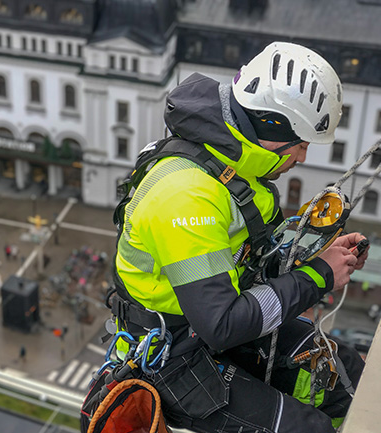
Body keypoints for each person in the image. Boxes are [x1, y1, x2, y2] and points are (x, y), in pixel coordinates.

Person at [110, 42, 368, 433]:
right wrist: (320, 275)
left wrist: (319, 254)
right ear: (272, 126)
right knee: (308, 429)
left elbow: (250, 262)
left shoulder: (232, 165)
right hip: (173, 353)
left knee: (341, 373)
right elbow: (223, 323)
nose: (301, 157)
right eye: (299, 144)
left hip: (203, 326)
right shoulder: (186, 195)